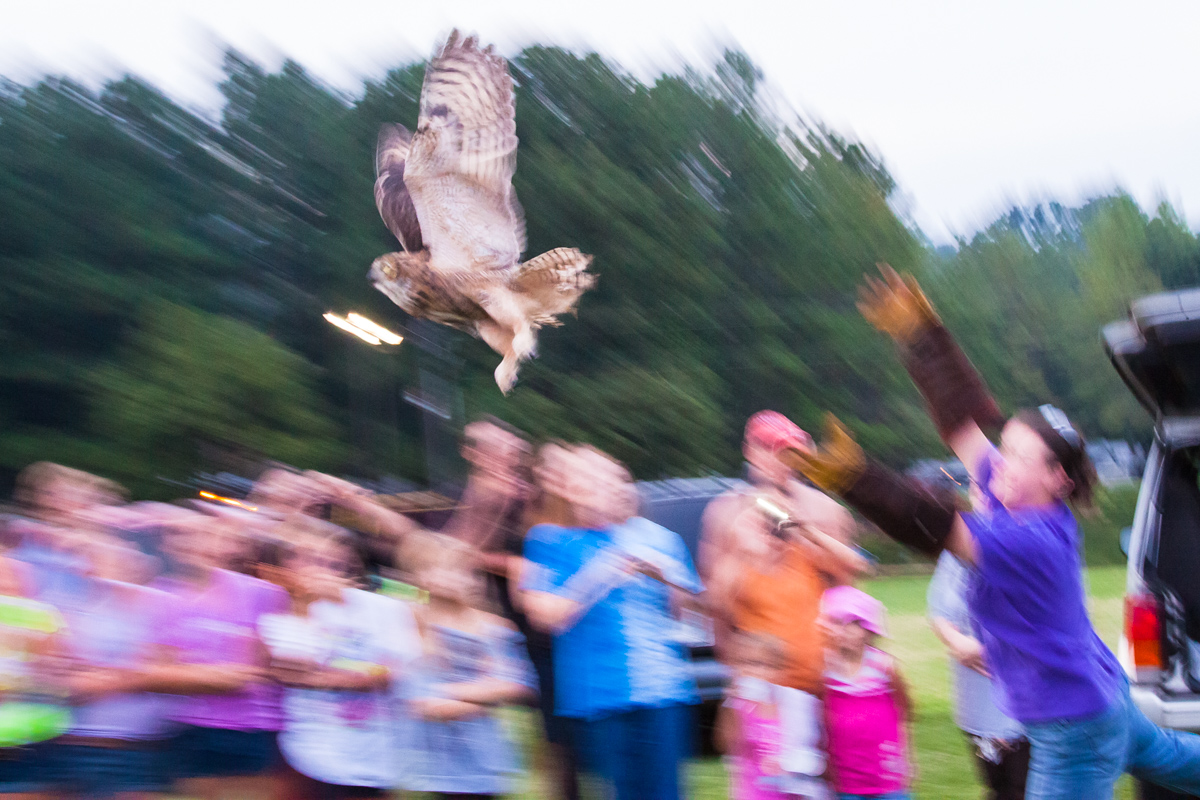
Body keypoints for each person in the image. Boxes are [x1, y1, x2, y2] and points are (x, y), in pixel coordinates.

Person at [786, 265, 1200, 800]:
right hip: (1102, 698)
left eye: (1020, 458)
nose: (1000, 464)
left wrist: (856, 479)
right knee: (1182, 762)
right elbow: (962, 424)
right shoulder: (1012, 494)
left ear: (1057, 480)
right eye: (1006, 449)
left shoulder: (1031, 541)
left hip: (1076, 730)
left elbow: (934, 525)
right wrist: (921, 337)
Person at [521, 445, 702, 800]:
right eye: (585, 483)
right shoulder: (549, 541)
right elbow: (545, 616)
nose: (600, 490)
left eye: (607, 479)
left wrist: (666, 577)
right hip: (600, 698)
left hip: (663, 691)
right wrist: (602, 572)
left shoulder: (659, 539)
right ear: (570, 491)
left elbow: (693, 611)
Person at [255, 518, 419, 800]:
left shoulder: (385, 609)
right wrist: (305, 607)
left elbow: (387, 674)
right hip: (310, 753)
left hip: (377, 753)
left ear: (348, 562)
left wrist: (324, 676)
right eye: (304, 559)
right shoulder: (281, 614)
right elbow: (291, 669)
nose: (318, 570)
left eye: (329, 561)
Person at [153, 517, 289, 800]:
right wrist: (218, 676)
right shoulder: (161, 594)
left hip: (251, 728)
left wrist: (186, 674)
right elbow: (157, 671)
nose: (198, 544)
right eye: (185, 535)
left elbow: (256, 671)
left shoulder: (262, 593)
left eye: (210, 536)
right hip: (188, 726)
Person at [399, 532, 535, 799]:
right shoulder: (411, 623)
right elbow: (422, 704)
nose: (463, 579)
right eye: (449, 570)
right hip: (433, 760)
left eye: (470, 573)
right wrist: (485, 696)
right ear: (421, 575)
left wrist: (443, 691)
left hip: (485, 757)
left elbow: (518, 685)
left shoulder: (495, 629)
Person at [48, 537, 179, 799]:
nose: (115, 570)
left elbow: (166, 671)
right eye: (98, 561)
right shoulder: (67, 610)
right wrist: (135, 675)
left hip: (144, 747)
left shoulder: (163, 607)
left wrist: (114, 676)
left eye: (124, 561)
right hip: (77, 744)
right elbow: (59, 678)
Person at [927, 550, 1028, 800]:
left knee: (1024, 788)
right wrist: (956, 641)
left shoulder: (1029, 543)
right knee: (998, 787)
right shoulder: (955, 553)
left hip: (1026, 701)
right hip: (977, 701)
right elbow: (939, 611)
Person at [821, 585, 912, 800]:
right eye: (837, 624)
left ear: (868, 630)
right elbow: (821, 714)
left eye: (854, 625)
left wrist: (908, 756)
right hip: (845, 771)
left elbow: (904, 708)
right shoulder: (825, 669)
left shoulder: (883, 665)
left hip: (885, 767)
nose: (845, 631)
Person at [716, 632, 828, 800]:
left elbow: (812, 748)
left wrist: (788, 763)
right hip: (752, 794)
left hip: (791, 793)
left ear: (778, 670)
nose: (750, 670)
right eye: (743, 663)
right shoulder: (739, 705)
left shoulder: (795, 704)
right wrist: (729, 705)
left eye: (760, 664)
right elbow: (725, 744)